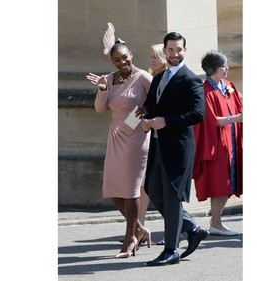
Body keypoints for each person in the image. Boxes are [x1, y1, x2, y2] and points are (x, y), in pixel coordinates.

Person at [138, 32, 209, 266]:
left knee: (171, 197)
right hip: (158, 145)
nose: (174, 54)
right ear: (165, 51)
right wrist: (129, 125)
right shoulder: (159, 78)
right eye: (170, 50)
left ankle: (171, 250)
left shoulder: (190, 79)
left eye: (178, 50)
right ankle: (192, 228)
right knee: (153, 190)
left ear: (185, 51)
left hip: (178, 148)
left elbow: (198, 114)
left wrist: (166, 121)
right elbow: (148, 107)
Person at [86, 23, 152, 258]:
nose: (122, 63)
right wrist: (102, 90)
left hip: (136, 138)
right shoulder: (108, 79)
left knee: (131, 189)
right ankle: (140, 229)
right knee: (113, 188)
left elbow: (156, 101)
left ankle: (129, 238)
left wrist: (140, 115)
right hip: (115, 137)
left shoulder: (143, 77)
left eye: (124, 58)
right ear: (112, 61)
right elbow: (99, 109)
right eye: (116, 60)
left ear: (131, 55)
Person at [192, 50, 243, 236]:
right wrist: (237, 118)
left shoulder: (228, 86)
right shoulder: (206, 91)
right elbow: (210, 120)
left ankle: (216, 222)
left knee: (229, 183)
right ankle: (216, 223)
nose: (227, 68)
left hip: (231, 142)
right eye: (224, 66)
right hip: (215, 144)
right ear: (213, 69)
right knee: (220, 183)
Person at [138, 44, 167, 246]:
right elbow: (144, 107)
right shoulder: (153, 77)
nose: (151, 61)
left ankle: (175, 228)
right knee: (144, 187)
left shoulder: (156, 78)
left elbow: (149, 107)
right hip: (146, 137)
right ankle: (138, 228)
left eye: (154, 57)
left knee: (159, 187)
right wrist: (126, 126)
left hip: (161, 138)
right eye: (150, 57)